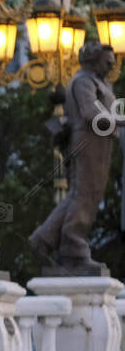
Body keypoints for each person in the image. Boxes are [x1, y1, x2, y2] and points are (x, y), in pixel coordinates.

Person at [29, 41, 118, 275]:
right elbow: (90, 112)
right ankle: (72, 247)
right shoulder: (83, 81)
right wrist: (120, 120)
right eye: (107, 61)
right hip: (88, 141)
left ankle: (44, 239)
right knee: (85, 194)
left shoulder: (98, 81)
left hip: (99, 141)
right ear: (93, 60)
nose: (112, 65)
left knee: (85, 193)